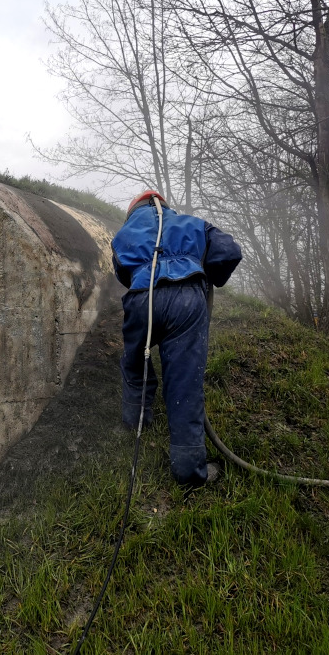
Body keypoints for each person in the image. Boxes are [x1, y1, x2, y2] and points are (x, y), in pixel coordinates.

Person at [111, 190, 242, 486]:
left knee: (135, 365)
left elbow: (122, 273)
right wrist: (204, 272)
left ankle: (135, 425)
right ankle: (188, 472)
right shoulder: (192, 223)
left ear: (133, 213)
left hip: (140, 300)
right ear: (165, 208)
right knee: (184, 383)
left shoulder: (122, 234)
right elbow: (229, 251)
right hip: (186, 300)